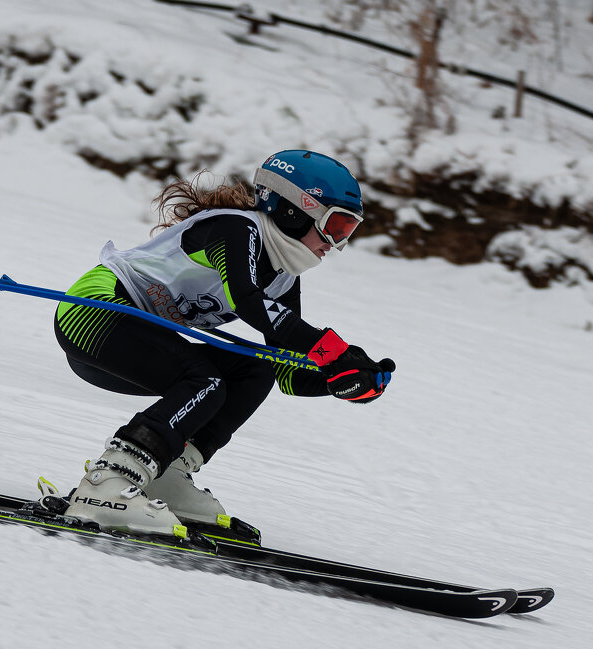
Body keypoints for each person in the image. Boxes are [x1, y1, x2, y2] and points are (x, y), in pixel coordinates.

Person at [52, 150, 395, 537]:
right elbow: (249, 301)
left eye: (348, 231)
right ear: (295, 210)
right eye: (335, 226)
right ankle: (108, 483)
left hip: (129, 343)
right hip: (91, 315)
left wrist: (341, 380)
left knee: (254, 369)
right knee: (205, 381)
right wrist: (333, 352)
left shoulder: (283, 276)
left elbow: (286, 372)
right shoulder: (238, 229)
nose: (335, 244)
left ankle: (165, 475)